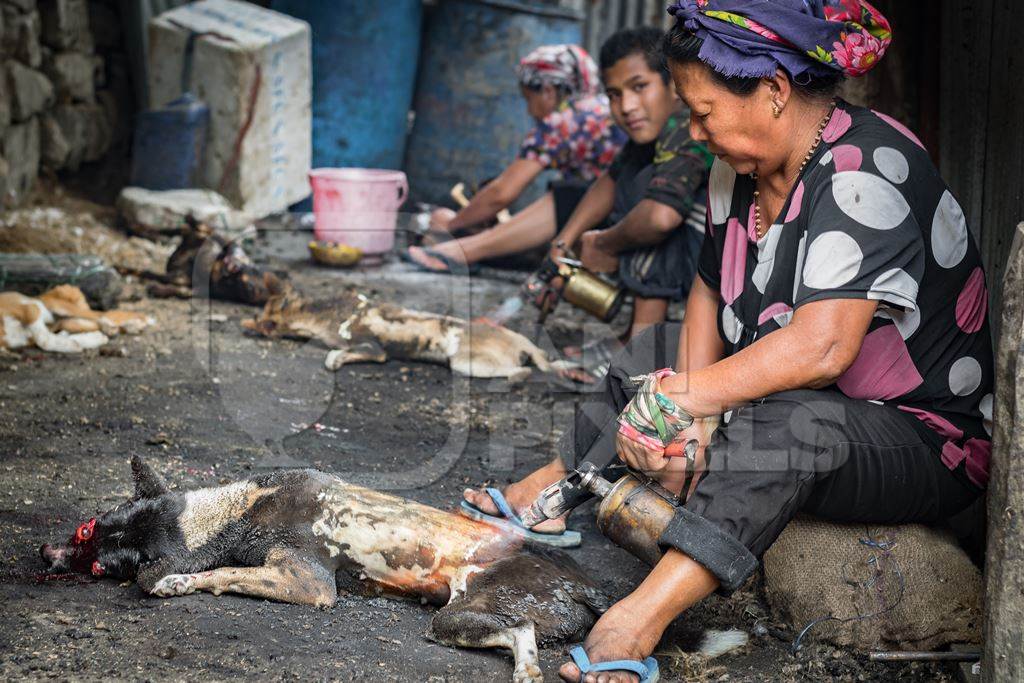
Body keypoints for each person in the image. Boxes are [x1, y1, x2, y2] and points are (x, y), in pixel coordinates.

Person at [462, 2, 994, 681]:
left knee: (785, 425)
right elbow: (709, 289)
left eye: (703, 110)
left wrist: (683, 399)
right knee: (655, 350)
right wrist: (694, 414)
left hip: (921, 437)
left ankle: (638, 619)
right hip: (811, 392)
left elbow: (822, 349)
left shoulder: (868, 169)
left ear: (773, 90)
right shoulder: (735, 171)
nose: (692, 128)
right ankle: (551, 489)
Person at [414, 28, 713, 373]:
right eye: (614, 94)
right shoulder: (648, 135)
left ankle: (640, 353)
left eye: (639, 86)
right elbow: (609, 180)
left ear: (672, 85)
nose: (626, 106)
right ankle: (633, 335)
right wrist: (562, 244)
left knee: (647, 203)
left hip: (713, 258)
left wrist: (603, 244)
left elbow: (661, 217)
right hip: (687, 245)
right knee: (624, 186)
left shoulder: (681, 124)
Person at [404, 43, 625, 272]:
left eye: (529, 99)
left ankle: (461, 252)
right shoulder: (599, 108)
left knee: (568, 196)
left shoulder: (564, 121)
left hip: (614, 213)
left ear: (548, 91)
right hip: (620, 210)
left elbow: (501, 194)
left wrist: (451, 224)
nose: (530, 111)